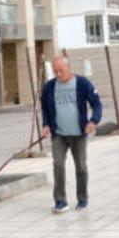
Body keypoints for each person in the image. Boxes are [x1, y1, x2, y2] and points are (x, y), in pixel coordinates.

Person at [41, 56, 102, 213]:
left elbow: (97, 103)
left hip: (78, 134)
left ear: (69, 68)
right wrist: (46, 125)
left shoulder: (82, 83)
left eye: (61, 70)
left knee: (81, 166)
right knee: (58, 165)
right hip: (59, 134)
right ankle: (60, 201)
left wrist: (93, 121)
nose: (58, 74)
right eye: (56, 71)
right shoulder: (49, 87)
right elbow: (45, 109)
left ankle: (82, 198)